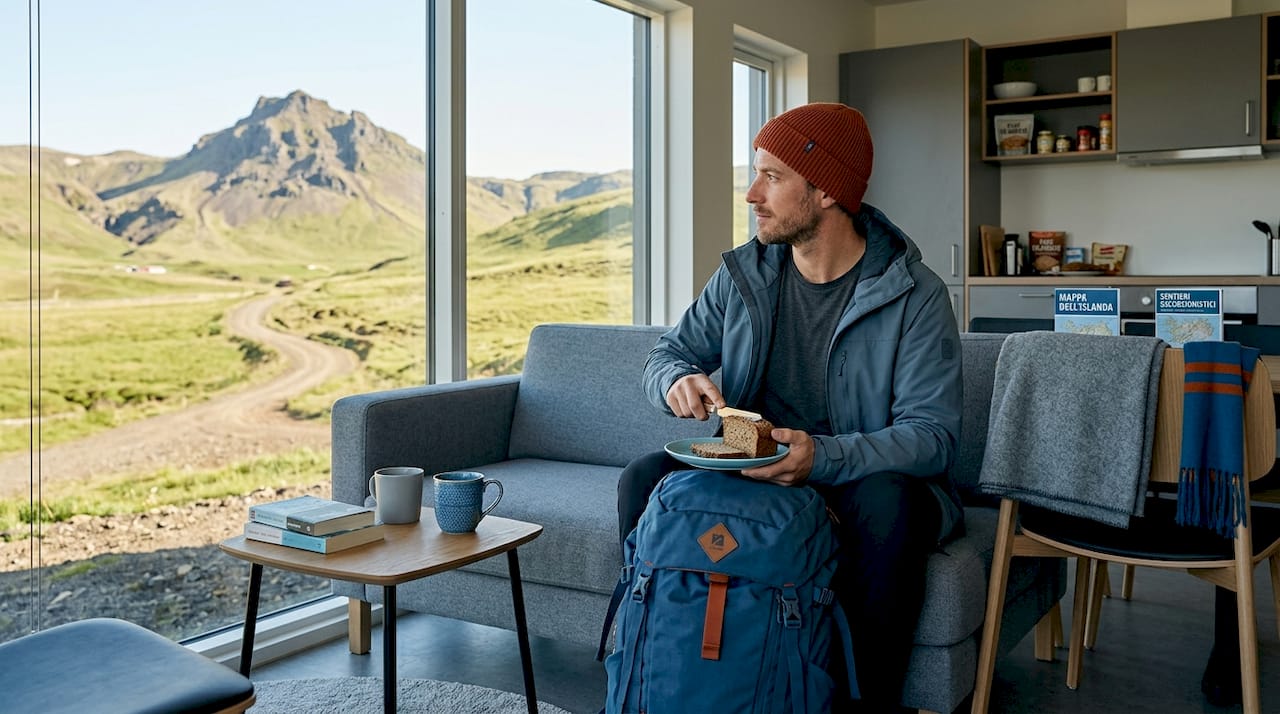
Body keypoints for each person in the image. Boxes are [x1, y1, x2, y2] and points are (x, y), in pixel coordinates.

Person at [616, 102, 964, 713]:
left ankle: (864, 703)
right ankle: (653, 672)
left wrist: (821, 458)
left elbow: (932, 436)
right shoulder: (743, 274)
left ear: (827, 190)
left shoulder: (914, 292)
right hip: (752, 466)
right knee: (644, 478)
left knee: (892, 503)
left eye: (772, 177)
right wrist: (677, 379)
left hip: (857, 475)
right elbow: (666, 352)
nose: (752, 193)